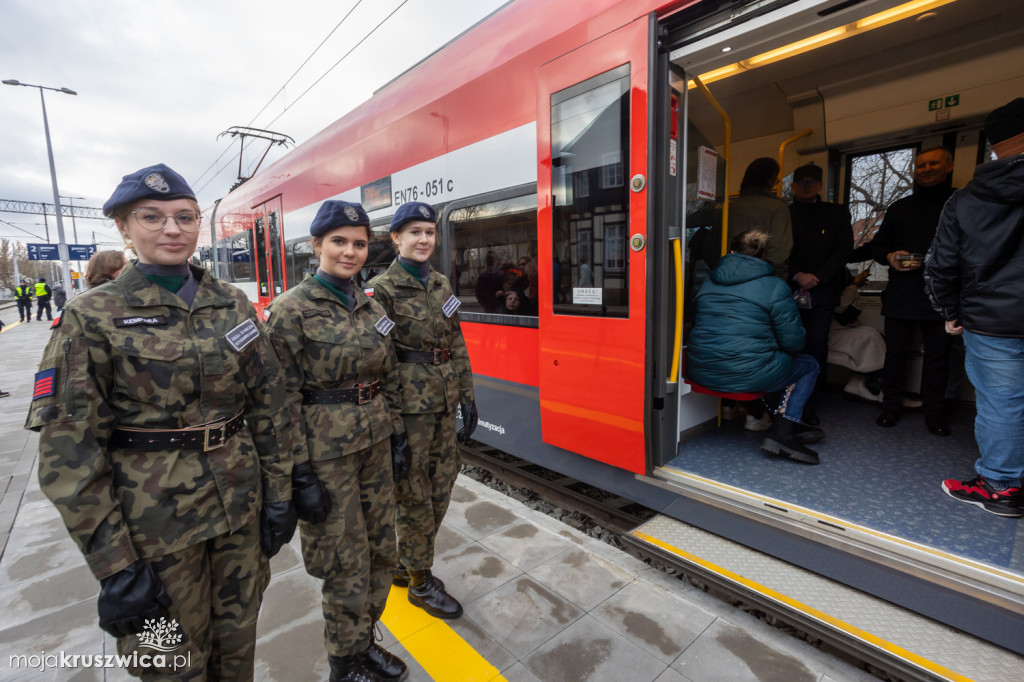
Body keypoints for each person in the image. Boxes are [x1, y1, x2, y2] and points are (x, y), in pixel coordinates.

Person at [24, 163, 306, 680]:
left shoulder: (231, 303)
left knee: (238, 644)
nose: (172, 229)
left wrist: (280, 494)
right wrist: (115, 566)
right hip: (152, 531)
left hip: (239, 510)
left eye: (185, 217)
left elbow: (270, 402)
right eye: (151, 217)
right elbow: (70, 451)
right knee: (170, 663)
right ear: (124, 230)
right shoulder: (93, 315)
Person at [266, 200, 410, 682]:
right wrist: (296, 472)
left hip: (374, 445)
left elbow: (389, 375)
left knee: (381, 551)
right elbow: (278, 399)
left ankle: (363, 641)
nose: (350, 251)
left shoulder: (369, 305)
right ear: (317, 246)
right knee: (342, 560)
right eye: (339, 242)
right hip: (325, 456)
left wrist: (398, 435)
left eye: (359, 243)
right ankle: (343, 661)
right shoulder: (291, 310)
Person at [368, 201, 478, 620]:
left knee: (443, 481)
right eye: (414, 232)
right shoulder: (382, 291)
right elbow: (382, 361)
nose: (423, 239)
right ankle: (419, 579)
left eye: (429, 232)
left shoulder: (441, 285)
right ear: (395, 238)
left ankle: (404, 560)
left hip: (443, 402)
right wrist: (393, 423)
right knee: (414, 493)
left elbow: (456, 342)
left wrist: (467, 395)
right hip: (410, 410)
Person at [925, 97, 1024, 517]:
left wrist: (950, 312)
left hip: (991, 318)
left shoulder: (965, 200)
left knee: (1002, 402)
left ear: (993, 144)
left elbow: (941, 265)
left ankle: (1001, 486)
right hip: (993, 315)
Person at [687, 230, 822, 464]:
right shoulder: (775, 287)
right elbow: (794, 342)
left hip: (702, 370)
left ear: (731, 251)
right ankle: (783, 431)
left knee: (758, 358)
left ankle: (764, 415)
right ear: (763, 255)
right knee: (808, 365)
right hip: (746, 375)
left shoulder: (708, 283)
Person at [872, 147, 956, 436]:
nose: (926, 168)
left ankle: (935, 412)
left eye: (934, 162)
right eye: (920, 164)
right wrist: (890, 256)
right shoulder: (900, 207)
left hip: (944, 293)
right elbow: (878, 246)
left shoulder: (961, 202)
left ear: (949, 166)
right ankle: (890, 406)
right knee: (895, 354)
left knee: (939, 358)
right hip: (902, 292)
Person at [788, 163, 853, 424]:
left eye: (811, 181)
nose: (806, 185)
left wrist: (819, 277)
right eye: (801, 181)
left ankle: (809, 405)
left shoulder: (836, 213)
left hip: (823, 293)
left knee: (816, 347)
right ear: (792, 185)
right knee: (789, 345)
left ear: (819, 185)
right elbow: (777, 251)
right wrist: (797, 275)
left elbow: (844, 250)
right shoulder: (784, 213)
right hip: (788, 290)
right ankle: (783, 400)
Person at [705, 157, 793, 280]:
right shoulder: (778, 208)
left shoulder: (727, 208)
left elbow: (712, 250)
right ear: (770, 181)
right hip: (762, 280)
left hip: (726, 276)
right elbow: (778, 255)